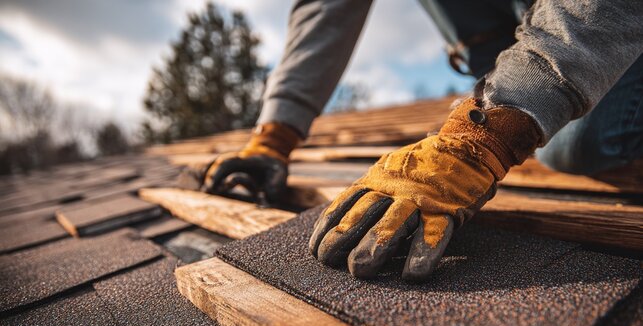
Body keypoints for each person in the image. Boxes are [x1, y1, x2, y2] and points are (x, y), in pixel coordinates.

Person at [197, 0, 643, 281]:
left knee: (572, 144)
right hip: (502, 38)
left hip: (600, 22)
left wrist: (492, 129)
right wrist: (276, 134)